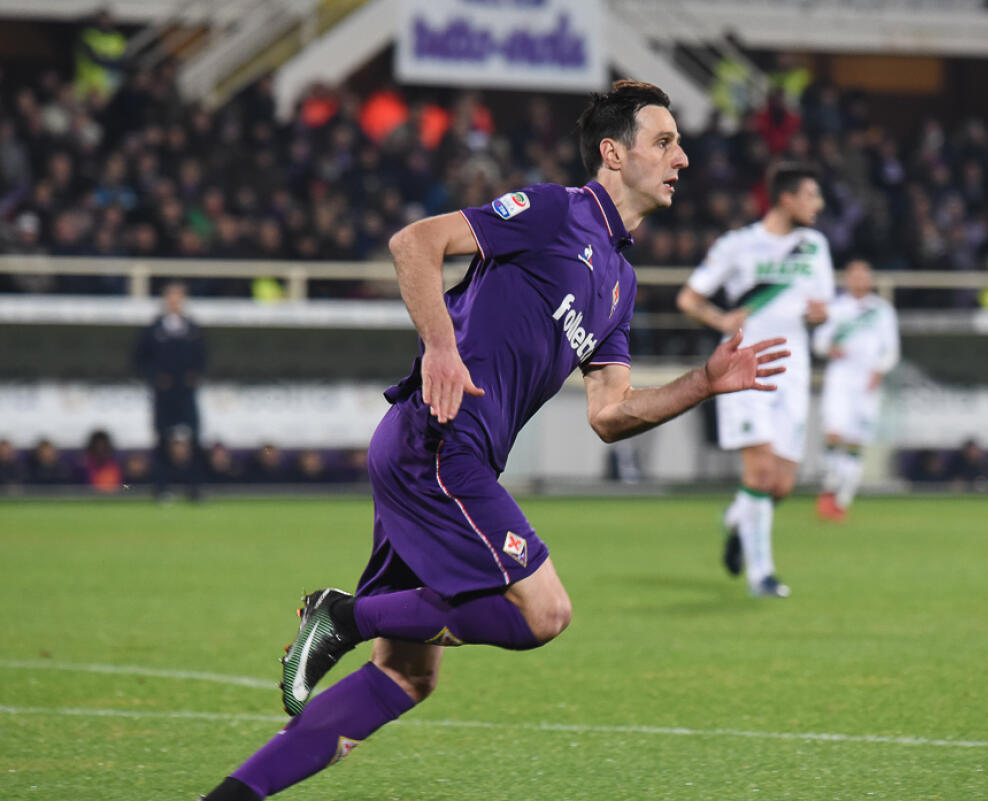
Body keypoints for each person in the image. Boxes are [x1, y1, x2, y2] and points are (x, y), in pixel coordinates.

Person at [199, 80, 788, 801]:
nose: (682, 158)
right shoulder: (555, 211)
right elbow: (416, 243)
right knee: (545, 611)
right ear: (613, 152)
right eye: (664, 141)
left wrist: (702, 381)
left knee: (407, 674)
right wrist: (440, 348)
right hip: (441, 441)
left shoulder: (620, 282)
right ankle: (344, 613)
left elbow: (610, 412)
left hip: (444, 456)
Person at [676, 163, 833, 598]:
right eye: (811, 195)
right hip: (745, 369)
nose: (818, 204)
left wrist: (822, 314)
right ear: (786, 198)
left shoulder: (814, 246)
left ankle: (736, 520)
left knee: (780, 485)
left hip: (794, 371)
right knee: (760, 471)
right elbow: (689, 297)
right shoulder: (739, 245)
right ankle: (761, 576)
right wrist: (720, 318)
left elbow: (822, 306)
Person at [811, 260, 899, 520]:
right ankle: (829, 487)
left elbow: (891, 349)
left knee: (856, 441)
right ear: (846, 280)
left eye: (864, 275)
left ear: (870, 280)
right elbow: (818, 342)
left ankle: (843, 498)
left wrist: (879, 370)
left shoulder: (881, 311)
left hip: (867, 380)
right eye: (854, 276)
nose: (859, 280)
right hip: (840, 378)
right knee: (833, 434)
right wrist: (829, 348)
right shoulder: (836, 308)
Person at [133, 281, 206, 501]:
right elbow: (139, 358)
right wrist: (156, 377)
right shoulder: (154, 329)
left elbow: (203, 357)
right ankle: (162, 488)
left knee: (193, 438)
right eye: (171, 297)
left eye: (179, 297)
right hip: (163, 394)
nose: (175, 301)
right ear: (166, 300)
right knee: (162, 439)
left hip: (186, 393)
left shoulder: (192, 328)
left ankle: (194, 488)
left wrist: (195, 375)